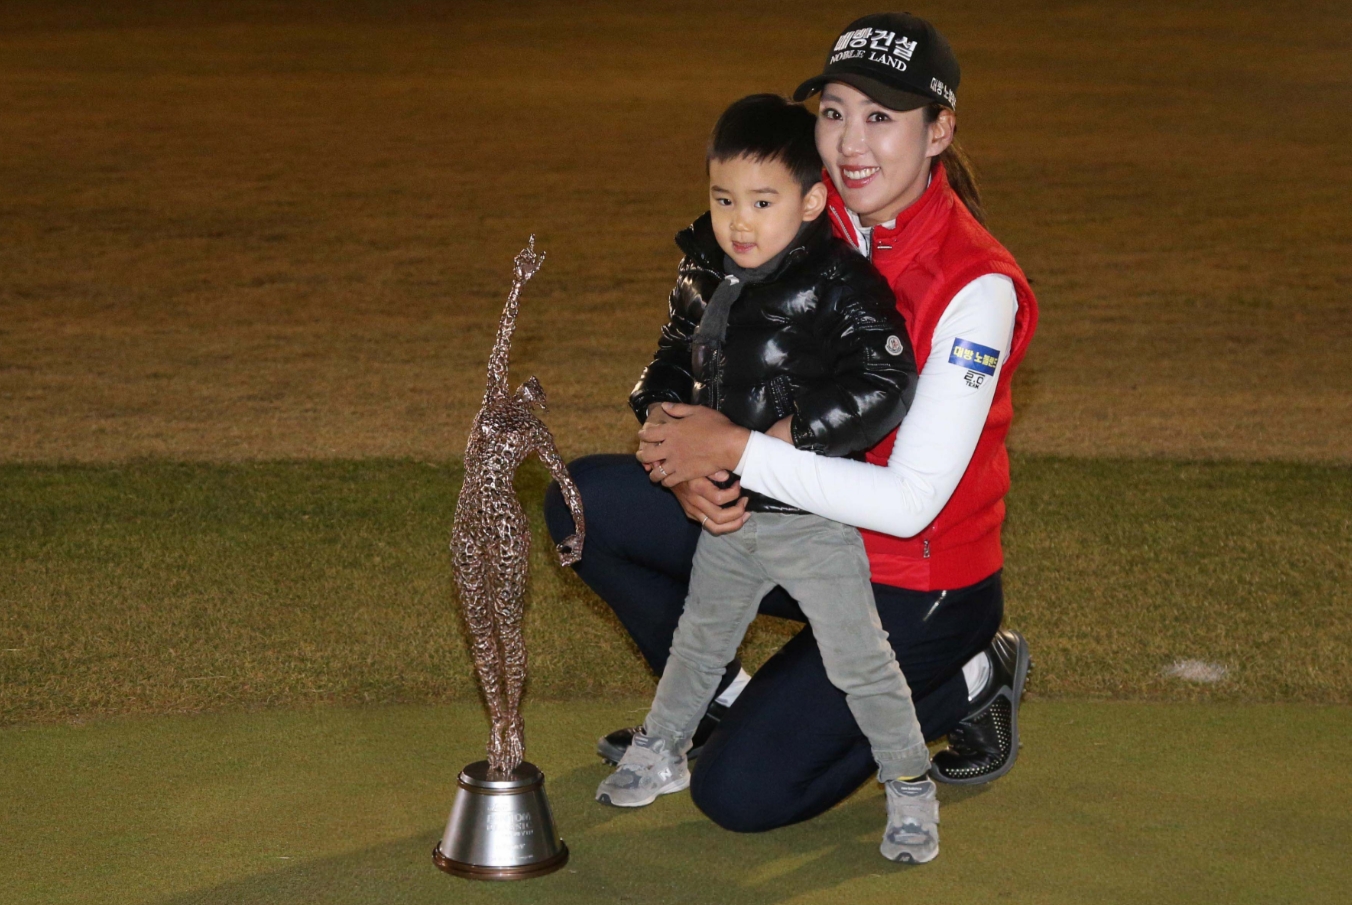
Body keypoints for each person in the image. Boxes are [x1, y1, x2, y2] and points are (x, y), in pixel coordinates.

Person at [546, 12, 1038, 833]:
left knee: (738, 796)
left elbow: (909, 503)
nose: (850, 142)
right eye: (835, 111)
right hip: (788, 529)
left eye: (881, 117)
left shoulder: (976, 285)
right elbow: (696, 348)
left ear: (939, 130)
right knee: (583, 504)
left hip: (914, 581)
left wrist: (736, 451)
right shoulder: (800, 205)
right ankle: (721, 702)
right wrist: (684, 462)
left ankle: (969, 677)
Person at [592, 94, 940, 863]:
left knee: (859, 660)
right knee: (698, 642)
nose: (738, 223)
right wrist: (666, 436)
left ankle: (911, 784)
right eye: (724, 200)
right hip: (730, 514)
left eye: (761, 202)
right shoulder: (707, 268)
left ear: (812, 202)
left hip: (810, 518)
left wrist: (781, 439)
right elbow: (670, 362)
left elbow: (884, 380)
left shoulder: (840, 281)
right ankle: (662, 748)